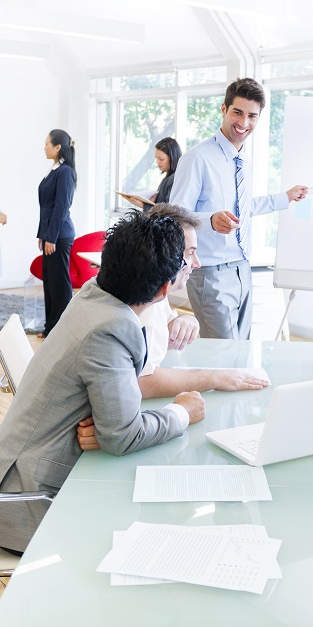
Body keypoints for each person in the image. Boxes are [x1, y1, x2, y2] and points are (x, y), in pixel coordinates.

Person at [0, 210, 206, 554]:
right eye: (188, 258)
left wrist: (114, 427)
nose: (195, 264)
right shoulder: (112, 327)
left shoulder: (97, 292)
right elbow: (123, 436)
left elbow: (114, 428)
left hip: (31, 467)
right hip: (32, 500)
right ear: (165, 288)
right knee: (166, 529)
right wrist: (182, 411)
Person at [75, 203, 270, 452]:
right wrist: (196, 396)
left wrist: (184, 320)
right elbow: (130, 412)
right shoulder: (116, 325)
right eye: (190, 253)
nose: (196, 263)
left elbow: (162, 323)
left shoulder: (137, 291)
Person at [170, 77, 308, 340]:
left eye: (252, 116)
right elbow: (176, 216)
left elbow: (242, 208)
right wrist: (211, 221)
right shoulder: (197, 158)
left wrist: (285, 198)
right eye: (237, 112)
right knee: (223, 355)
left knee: (241, 350)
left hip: (243, 268)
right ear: (224, 109)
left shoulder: (242, 159)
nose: (244, 123)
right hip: (210, 273)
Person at [37, 129, 77, 337]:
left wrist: (51, 237)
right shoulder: (54, 170)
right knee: (49, 282)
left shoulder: (65, 172)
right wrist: (42, 235)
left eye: (46, 143)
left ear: (58, 147)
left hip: (60, 236)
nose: (44, 147)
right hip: (51, 235)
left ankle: (61, 330)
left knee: (60, 284)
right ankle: (50, 327)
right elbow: (46, 207)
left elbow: (61, 207)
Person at [127, 137, 182, 210]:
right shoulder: (167, 179)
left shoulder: (174, 180)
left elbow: (169, 212)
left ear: (172, 158)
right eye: (156, 158)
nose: (157, 162)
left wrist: (144, 206)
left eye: (161, 159)